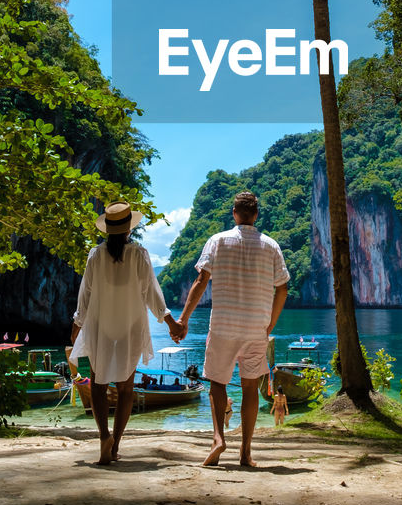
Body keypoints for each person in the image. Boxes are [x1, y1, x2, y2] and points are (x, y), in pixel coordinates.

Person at [176, 190, 289, 468]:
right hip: (255, 327)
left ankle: (218, 438)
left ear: (234, 213)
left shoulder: (217, 241)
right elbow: (283, 288)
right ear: (256, 215)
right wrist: (270, 324)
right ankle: (246, 452)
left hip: (224, 325)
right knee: (251, 388)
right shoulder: (271, 246)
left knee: (217, 382)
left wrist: (184, 320)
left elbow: (201, 280)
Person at [70, 201, 182, 464]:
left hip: (101, 325)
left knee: (98, 385)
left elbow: (85, 294)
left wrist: (77, 325)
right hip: (131, 325)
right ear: (129, 229)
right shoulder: (139, 254)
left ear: (108, 229)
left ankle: (103, 437)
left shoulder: (96, 255)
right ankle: (116, 444)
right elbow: (152, 292)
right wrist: (170, 323)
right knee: (126, 388)